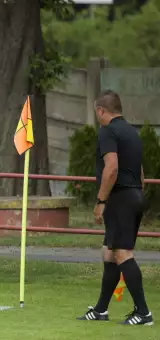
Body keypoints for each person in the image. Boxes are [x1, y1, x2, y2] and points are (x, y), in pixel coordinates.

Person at [77, 90, 153, 326]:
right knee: (109, 253)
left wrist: (101, 201)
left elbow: (111, 168)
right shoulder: (132, 132)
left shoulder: (107, 131)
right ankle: (100, 310)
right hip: (134, 195)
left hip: (119, 198)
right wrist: (135, 195)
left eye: (95, 111)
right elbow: (140, 173)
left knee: (122, 253)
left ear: (101, 110)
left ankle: (143, 313)